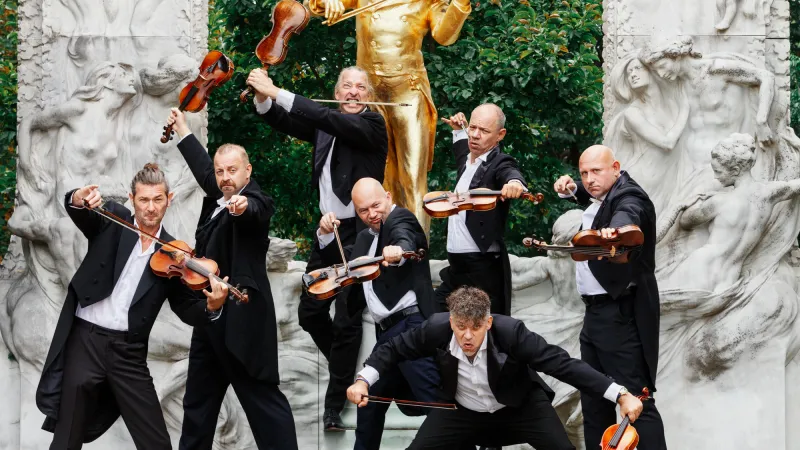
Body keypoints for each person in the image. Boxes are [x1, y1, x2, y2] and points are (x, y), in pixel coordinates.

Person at [36, 164, 229, 450]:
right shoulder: (113, 220)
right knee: (66, 438)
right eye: (143, 200)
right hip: (85, 341)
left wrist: (213, 306)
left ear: (169, 199)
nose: (150, 208)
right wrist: (78, 197)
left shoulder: (175, 253)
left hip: (128, 352)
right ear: (132, 198)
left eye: (157, 199)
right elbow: (79, 211)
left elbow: (185, 307)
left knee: (156, 443)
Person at [246, 66, 388, 430]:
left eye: (361, 87)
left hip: (362, 233)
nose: (354, 92)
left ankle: (334, 404)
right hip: (329, 231)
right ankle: (349, 365)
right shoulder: (327, 125)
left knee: (346, 318)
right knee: (310, 312)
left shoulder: (372, 125)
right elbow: (286, 120)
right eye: (347, 87)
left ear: (367, 94)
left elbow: (320, 114)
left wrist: (276, 88)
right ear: (337, 92)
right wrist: (263, 98)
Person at [346, 286, 644, 449]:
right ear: (451, 322)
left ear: (488, 323)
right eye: (460, 327)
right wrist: (363, 381)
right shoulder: (435, 329)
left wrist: (620, 395)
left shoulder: (511, 332)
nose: (467, 336)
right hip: (462, 412)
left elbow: (562, 364)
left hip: (521, 407)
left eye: (476, 328)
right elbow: (392, 348)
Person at [165, 110, 298, 449]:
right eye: (221, 171)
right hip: (210, 324)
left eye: (232, 170)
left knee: (265, 405)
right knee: (197, 409)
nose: (225, 177)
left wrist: (241, 207)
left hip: (243, 324)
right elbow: (204, 172)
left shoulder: (254, 201)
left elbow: (255, 210)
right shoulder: (217, 196)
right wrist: (182, 130)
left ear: (247, 171)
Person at [306, 0, 472, 232]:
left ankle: (415, 250)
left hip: (408, 92)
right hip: (369, 95)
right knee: (373, 176)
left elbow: (445, 36)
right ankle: (375, 248)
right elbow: (312, 7)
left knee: (411, 176)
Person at [553, 145, 667, 450]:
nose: (589, 179)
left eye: (596, 171)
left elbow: (625, 214)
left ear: (615, 168)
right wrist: (572, 189)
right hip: (595, 315)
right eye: (584, 173)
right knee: (594, 398)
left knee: (637, 402)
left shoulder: (631, 197)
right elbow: (596, 198)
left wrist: (615, 232)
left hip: (620, 314)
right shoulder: (604, 192)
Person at [315, 177, 440, 450]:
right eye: (363, 210)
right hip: (386, 334)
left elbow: (405, 237)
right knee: (368, 400)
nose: (372, 214)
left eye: (375, 205)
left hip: (411, 326)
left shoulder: (400, 218)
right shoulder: (363, 239)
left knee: (435, 404)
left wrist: (399, 250)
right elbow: (339, 265)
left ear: (387, 195)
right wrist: (325, 234)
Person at [436, 105, 527, 315]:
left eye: (484, 131)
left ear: (500, 135)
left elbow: (510, 172)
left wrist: (515, 183)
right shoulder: (468, 160)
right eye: (473, 128)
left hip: (481, 268)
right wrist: (459, 129)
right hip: (455, 268)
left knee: (483, 330)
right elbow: (461, 148)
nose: (475, 135)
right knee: (435, 318)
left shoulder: (499, 162)